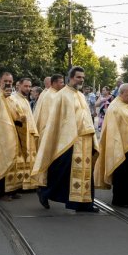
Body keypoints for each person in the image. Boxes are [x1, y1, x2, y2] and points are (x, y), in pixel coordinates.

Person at [32, 66, 97, 212]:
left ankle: (84, 204)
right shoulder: (61, 95)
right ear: (71, 78)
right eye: (78, 77)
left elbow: (86, 116)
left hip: (85, 140)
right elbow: (56, 121)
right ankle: (44, 192)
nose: (81, 80)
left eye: (82, 77)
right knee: (62, 172)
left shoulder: (80, 95)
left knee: (85, 173)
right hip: (69, 140)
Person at [96, 84, 128, 207]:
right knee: (122, 175)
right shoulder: (114, 108)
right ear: (121, 93)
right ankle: (121, 200)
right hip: (121, 147)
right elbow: (112, 129)